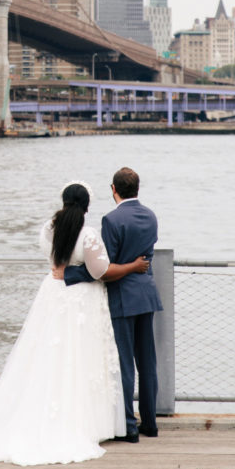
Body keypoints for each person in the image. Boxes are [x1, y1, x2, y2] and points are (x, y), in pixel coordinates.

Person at [0, 182, 149, 466]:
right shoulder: (88, 235)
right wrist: (132, 266)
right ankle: (88, 423)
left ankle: (45, 414)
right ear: (87, 207)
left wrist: (67, 270)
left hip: (53, 295)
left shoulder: (49, 229)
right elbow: (100, 271)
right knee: (81, 357)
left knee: (49, 355)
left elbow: (53, 261)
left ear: (63, 202)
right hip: (82, 302)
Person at [53, 167, 162, 443]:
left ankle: (129, 425)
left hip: (123, 298)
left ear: (114, 189)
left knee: (125, 363)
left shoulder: (111, 220)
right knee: (147, 361)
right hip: (146, 294)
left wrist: (69, 274)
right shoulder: (151, 216)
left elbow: (103, 268)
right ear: (137, 188)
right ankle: (150, 422)